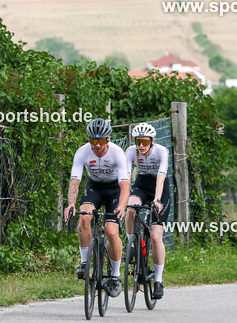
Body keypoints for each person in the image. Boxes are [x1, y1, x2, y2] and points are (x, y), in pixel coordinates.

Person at [63, 118, 130, 298]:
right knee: (84, 218)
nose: (98, 145)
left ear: (108, 139)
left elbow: (125, 185)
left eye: (101, 141)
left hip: (115, 190)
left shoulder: (117, 153)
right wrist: (71, 204)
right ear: (89, 139)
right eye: (94, 141)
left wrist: (122, 206)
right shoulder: (82, 152)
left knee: (111, 232)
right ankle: (85, 263)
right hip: (95, 188)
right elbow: (75, 181)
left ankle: (115, 275)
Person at [124, 122, 170, 299]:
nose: (141, 145)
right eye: (138, 141)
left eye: (144, 141)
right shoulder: (130, 152)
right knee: (131, 209)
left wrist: (157, 200)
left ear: (152, 141)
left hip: (159, 188)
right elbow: (126, 177)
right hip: (142, 185)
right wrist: (124, 199)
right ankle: (132, 244)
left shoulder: (161, 151)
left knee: (155, 237)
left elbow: (161, 178)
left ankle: (158, 280)